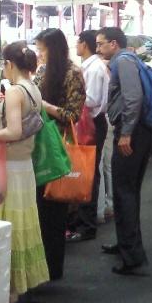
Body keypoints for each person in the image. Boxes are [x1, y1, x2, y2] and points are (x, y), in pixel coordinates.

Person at [0, 42, 49, 303]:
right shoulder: (33, 89)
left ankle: (11, 292)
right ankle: (23, 285)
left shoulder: (16, 91)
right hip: (24, 166)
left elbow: (14, 131)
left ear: (9, 64)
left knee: (6, 225)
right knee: (23, 224)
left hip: (10, 167)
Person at [96, 27, 152, 274]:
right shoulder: (125, 60)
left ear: (114, 44)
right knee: (126, 191)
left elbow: (133, 98)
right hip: (138, 131)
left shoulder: (124, 62)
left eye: (101, 44)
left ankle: (131, 256)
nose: (98, 48)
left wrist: (126, 133)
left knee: (125, 192)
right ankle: (127, 244)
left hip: (134, 133)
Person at [34, 28, 85, 281]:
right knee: (40, 209)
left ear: (53, 48)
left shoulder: (73, 73)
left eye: (41, 49)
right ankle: (39, 268)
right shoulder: (42, 72)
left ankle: (53, 268)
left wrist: (45, 106)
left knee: (54, 208)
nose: (38, 54)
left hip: (59, 147)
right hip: (39, 145)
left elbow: (73, 115)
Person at [66, 30, 110, 243]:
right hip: (90, 122)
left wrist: (68, 101)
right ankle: (83, 220)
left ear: (84, 44)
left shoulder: (93, 69)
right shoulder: (91, 66)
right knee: (87, 171)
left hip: (91, 123)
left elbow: (90, 100)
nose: (76, 46)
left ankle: (87, 225)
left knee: (88, 173)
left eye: (78, 42)